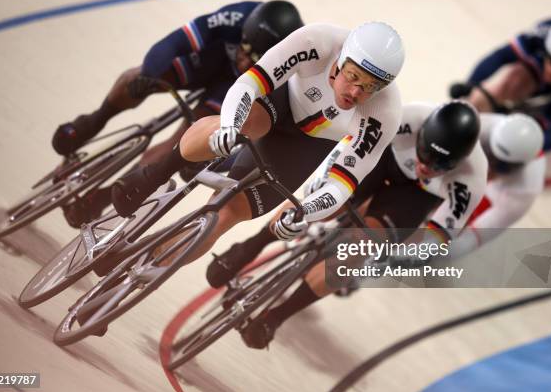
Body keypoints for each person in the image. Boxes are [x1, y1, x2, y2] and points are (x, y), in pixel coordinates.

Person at [108, 21, 405, 286]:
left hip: (306, 145)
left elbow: (341, 186)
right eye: (353, 76)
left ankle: (130, 280)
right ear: (340, 60)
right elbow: (249, 83)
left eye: (369, 87)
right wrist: (229, 125)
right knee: (243, 124)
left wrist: (303, 212)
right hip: (279, 103)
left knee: (223, 217)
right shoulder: (317, 42)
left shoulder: (384, 114)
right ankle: (156, 173)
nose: (355, 92)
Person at [211, 101, 488, 349]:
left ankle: (276, 317)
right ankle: (252, 245)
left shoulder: (472, 179)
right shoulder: (405, 118)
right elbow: (349, 146)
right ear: (422, 133)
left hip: (415, 197)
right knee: (324, 202)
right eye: (425, 153)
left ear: (460, 162)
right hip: (383, 158)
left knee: (359, 249)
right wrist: (323, 185)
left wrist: (402, 258)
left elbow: (440, 235)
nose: (427, 166)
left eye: (441, 164)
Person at [51, 0, 304, 227]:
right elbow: (174, 43)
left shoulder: (290, 66)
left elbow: (249, 135)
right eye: (245, 50)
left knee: (183, 143)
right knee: (137, 77)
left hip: (236, 90)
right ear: (244, 32)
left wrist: (207, 157)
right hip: (210, 62)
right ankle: (94, 121)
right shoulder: (238, 16)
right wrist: (150, 74)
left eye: (255, 59)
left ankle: (103, 197)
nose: (244, 62)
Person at [453, 16, 551, 152]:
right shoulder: (547, 31)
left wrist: (520, 152)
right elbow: (502, 56)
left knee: (545, 130)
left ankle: (536, 122)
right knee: (516, 77)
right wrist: (472, 86)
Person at [450, 113, 545, 257]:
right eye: (489, 154)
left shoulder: (524, 190)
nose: (489, 169)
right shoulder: (482, 124)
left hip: (500, 192)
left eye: (501, 167)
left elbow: (470, 240)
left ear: (518, 168)